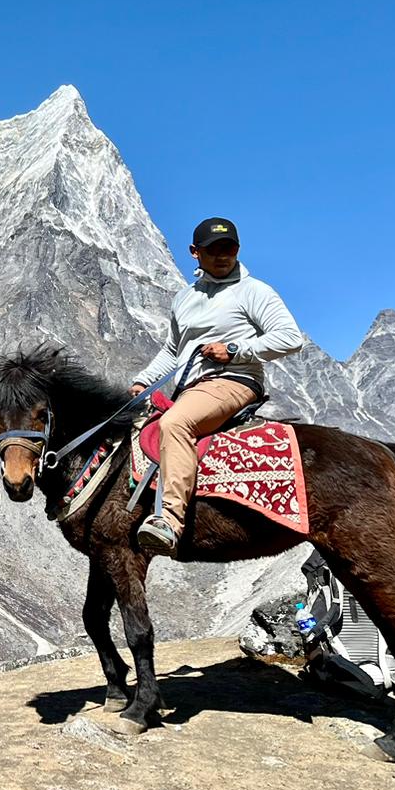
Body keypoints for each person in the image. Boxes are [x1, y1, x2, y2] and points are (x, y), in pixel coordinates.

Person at [129, 217, 304, 554]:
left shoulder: (254, 291)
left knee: (175, 423)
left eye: (230, 248)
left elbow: (290, 338)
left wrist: (236, 350)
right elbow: (172, 351)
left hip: (233, 381)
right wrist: (143, 382)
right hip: (190, 388)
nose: (223, 256)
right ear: (195, 252)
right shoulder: (184, 299)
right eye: (214, 250)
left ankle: (170, 520)